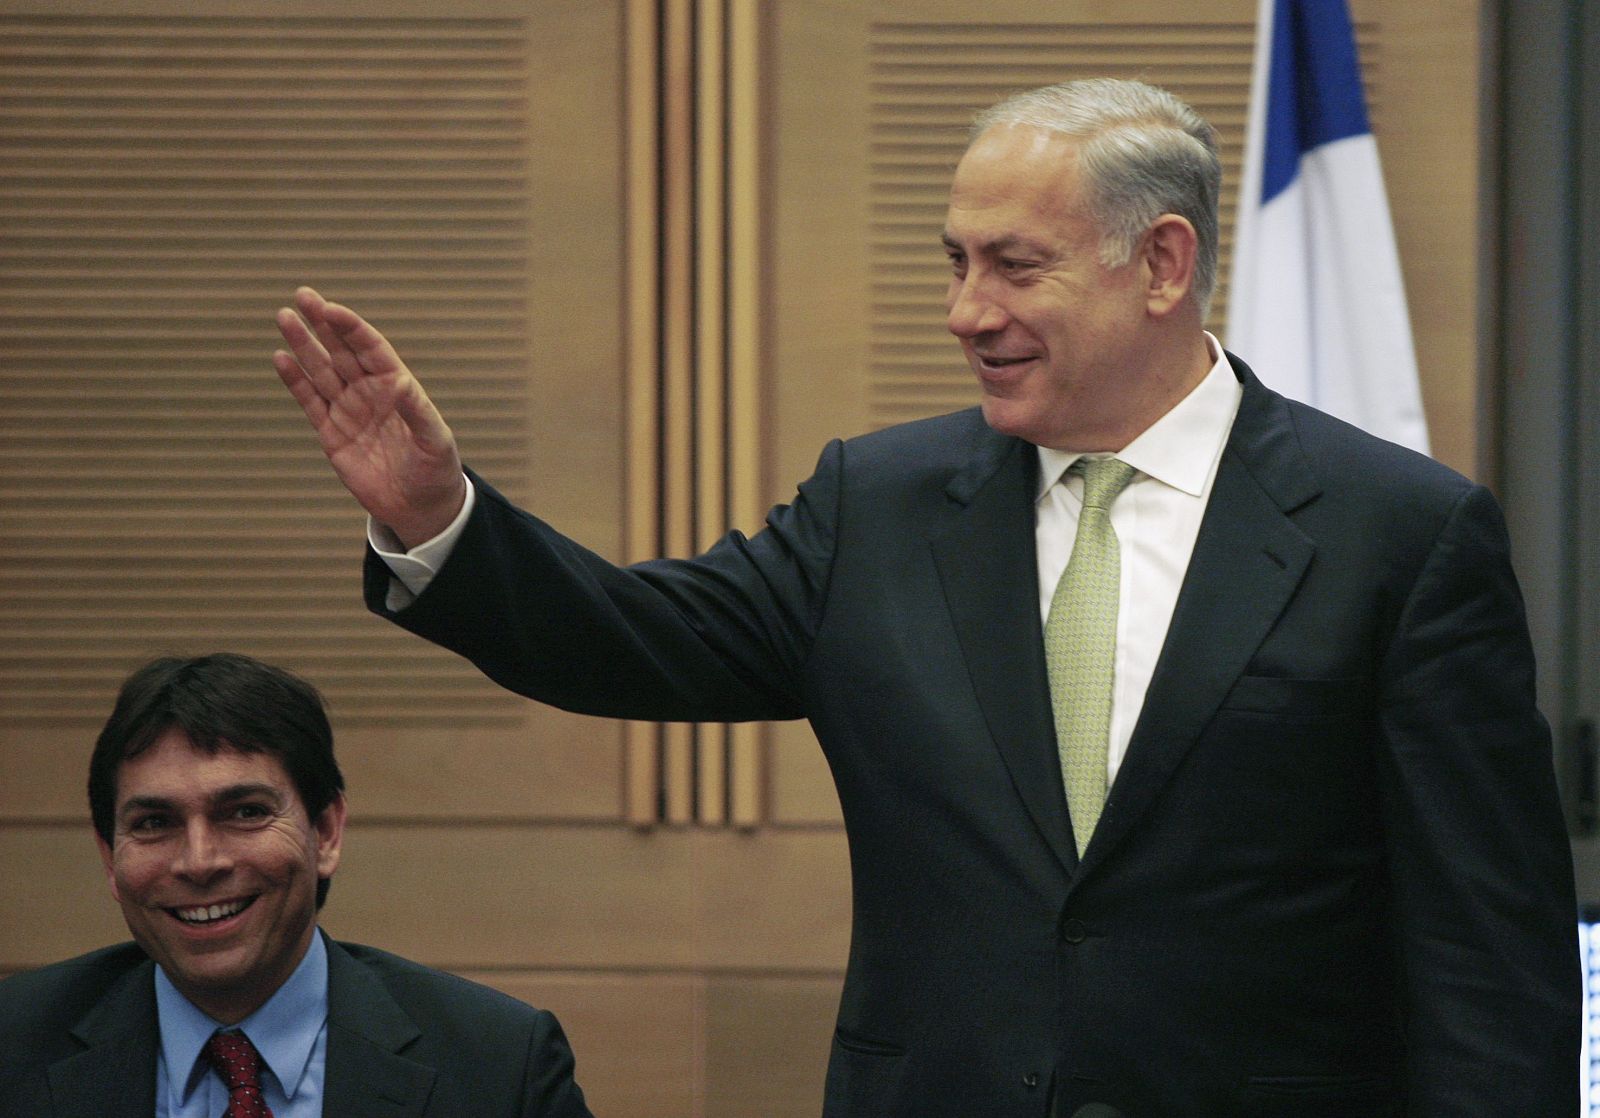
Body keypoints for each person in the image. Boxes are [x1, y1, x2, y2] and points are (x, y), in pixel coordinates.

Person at [269, 79, 1578, 1116]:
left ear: (1163, 263)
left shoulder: (1399, 534)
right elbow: (636, 642)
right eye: (954, 260)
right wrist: (437, 514)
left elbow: (1488, 966)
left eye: (1014, 265)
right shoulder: (879, 507)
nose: (966, 310)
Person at [0, 653, 592, 1118]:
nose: (199, 862)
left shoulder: (498, 1065)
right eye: (155, 823)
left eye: (246, 812)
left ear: (326, 832)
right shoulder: (14, 1050)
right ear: (109, 858)